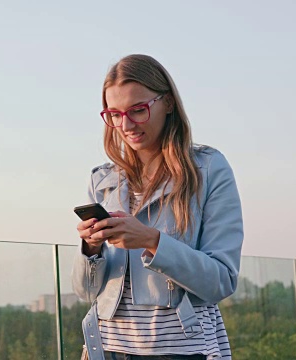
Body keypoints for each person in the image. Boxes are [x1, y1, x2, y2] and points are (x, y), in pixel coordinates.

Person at [72, 54, 243, 360]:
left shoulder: (208, 169)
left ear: (168, 103)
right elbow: (86, 292)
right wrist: (91, 248)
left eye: (138, 110)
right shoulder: (102, 179)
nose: (125, 125)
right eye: (114, 113)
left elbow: (221, 281)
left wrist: (152, 241)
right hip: (106, 348)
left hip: (183, 350)